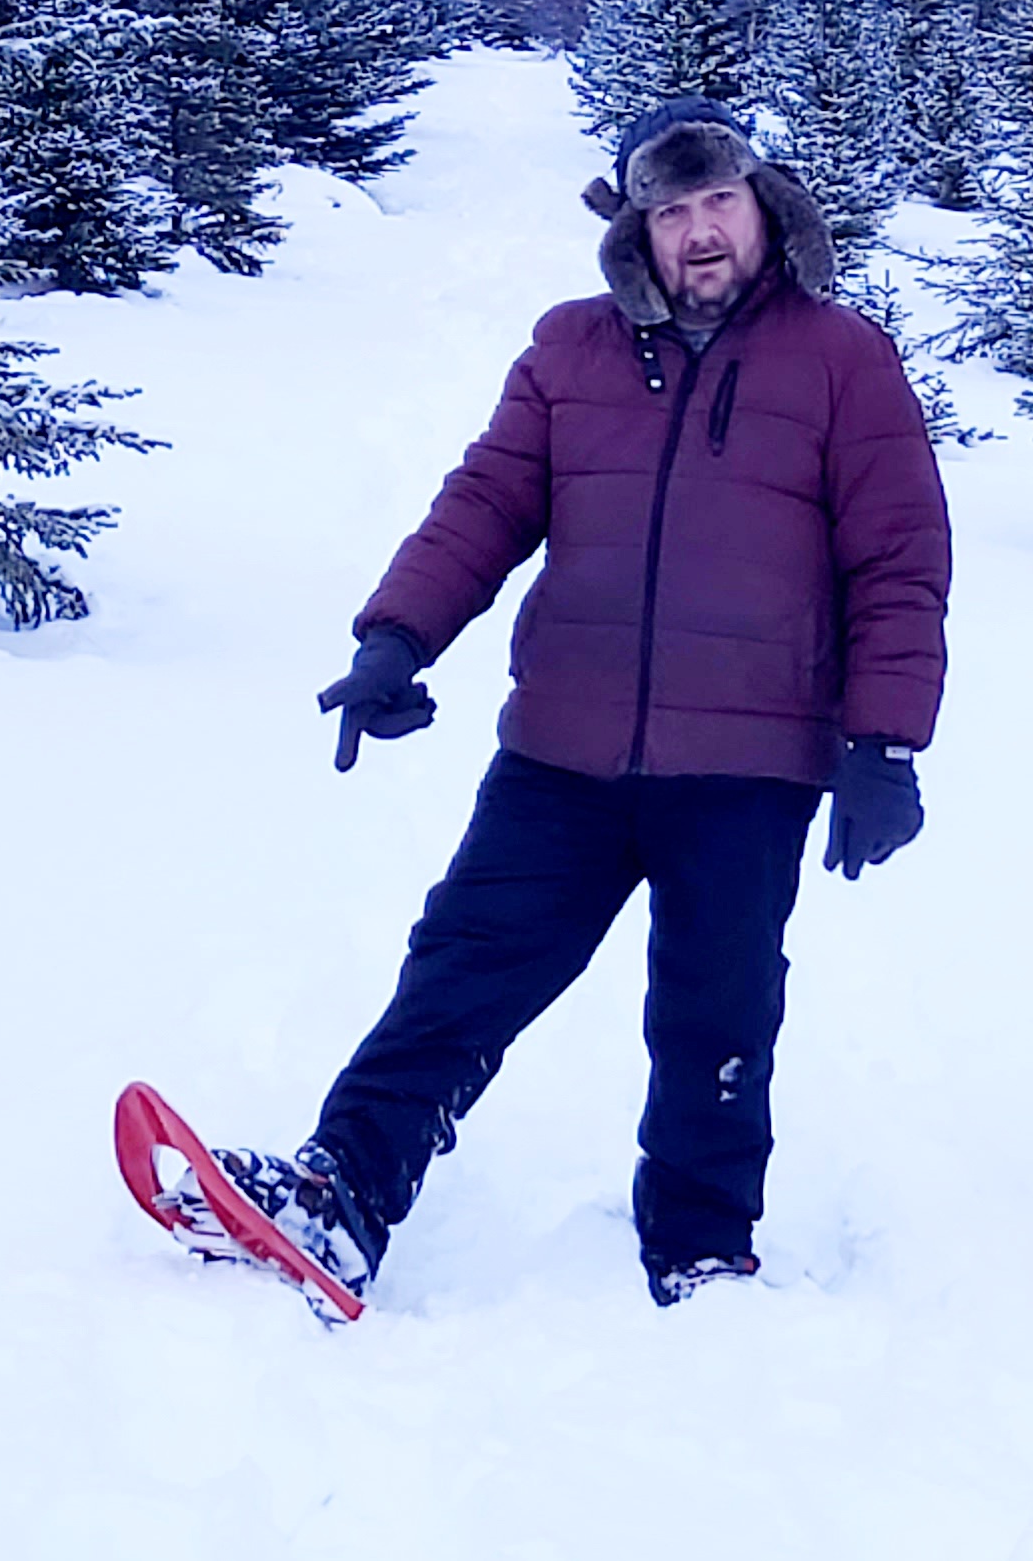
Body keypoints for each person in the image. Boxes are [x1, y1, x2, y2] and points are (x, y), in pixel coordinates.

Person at [210, 97, 954, 1310]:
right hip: (566, 746)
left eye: (719, 202)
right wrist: (397, 638)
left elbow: (900, 559)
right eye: (672, 211)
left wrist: (885, 744)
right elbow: (487, 504)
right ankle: (343, 1191)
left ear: (763, 208)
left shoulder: (842, 358)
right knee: (461, 970)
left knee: (718, 1015)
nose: (700, 232)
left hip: (751, 760)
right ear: (637, 229)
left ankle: (703, 1247)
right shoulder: (570, 350)